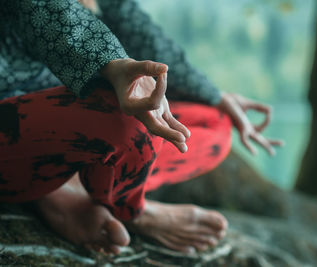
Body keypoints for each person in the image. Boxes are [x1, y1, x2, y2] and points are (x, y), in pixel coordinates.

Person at [0, 0, 283, 255]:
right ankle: (127, 209)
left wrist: (216, 96)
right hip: (12, 124)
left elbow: (140, 31)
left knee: (213, 124)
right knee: (126, 118)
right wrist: (110, 63)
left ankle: (76, 185)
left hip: (61, 122)